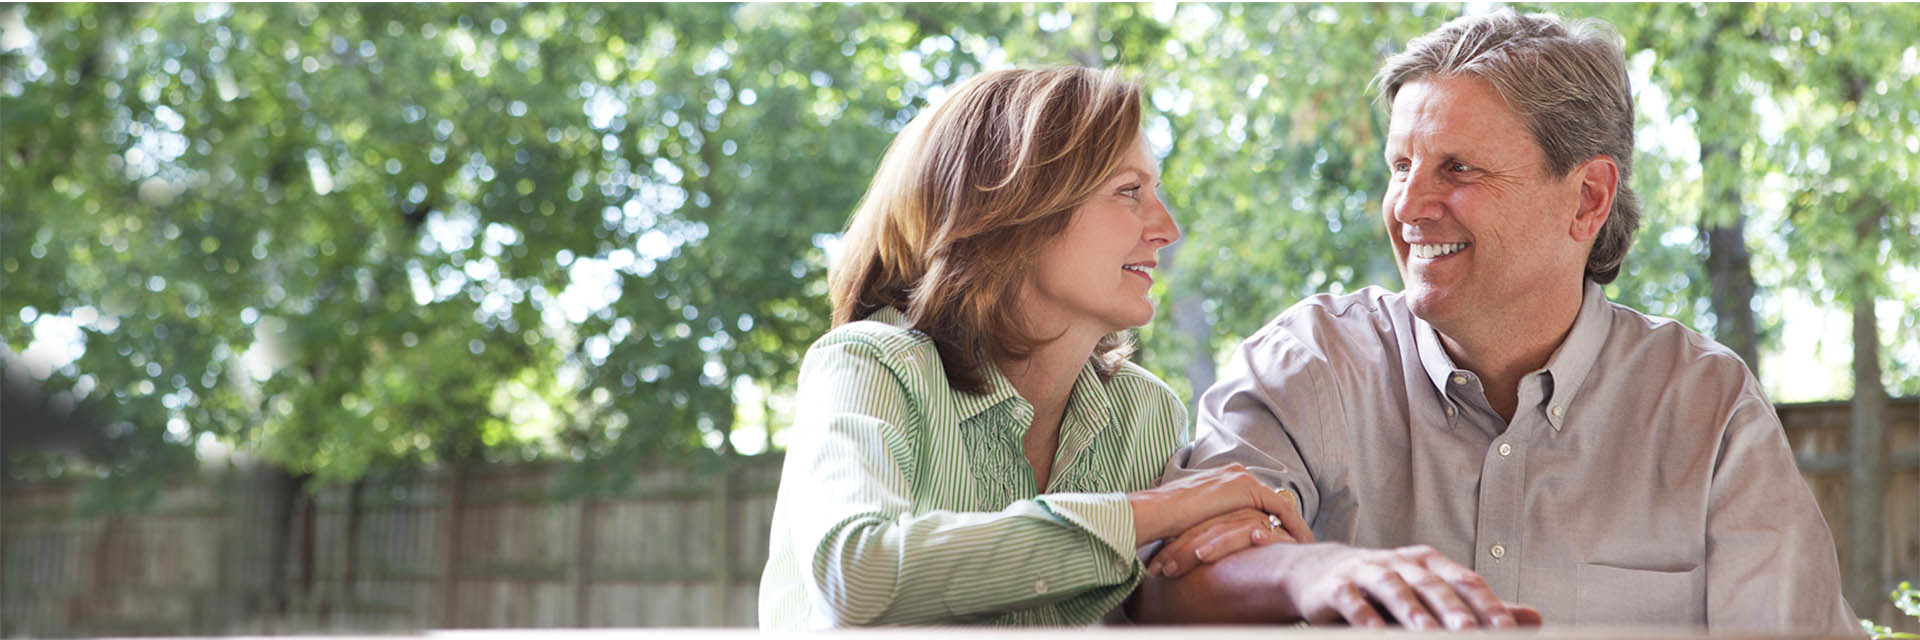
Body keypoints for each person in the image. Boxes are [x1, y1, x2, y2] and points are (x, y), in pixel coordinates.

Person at [1136, 10, 1857, 633]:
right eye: (1400, 166)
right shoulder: (1310, 364)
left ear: (1587, 198)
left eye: (1457, 169)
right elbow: (1170, 591)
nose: (1409, 206)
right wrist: (1315, 570)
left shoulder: (1705, 406)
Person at [757, 67, 1310, 629]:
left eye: (1154, 193)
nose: (1166, 228)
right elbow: (857, 574)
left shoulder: (1144, 413)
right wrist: (1153, 512)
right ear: (1014, 209)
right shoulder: (869, 364)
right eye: (1128, 192)